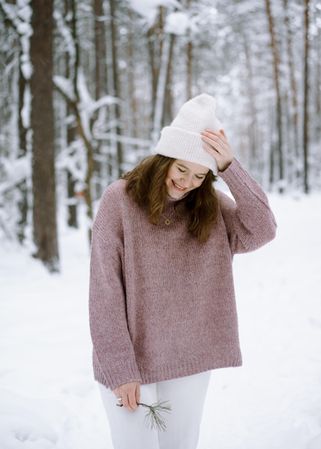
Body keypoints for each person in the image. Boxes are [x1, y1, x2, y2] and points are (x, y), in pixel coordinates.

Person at [88, 93, 277, 449]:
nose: (187, 181)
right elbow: (104, 290)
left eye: (200, 174)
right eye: (181, 169)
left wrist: (230, 167)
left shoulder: (209, 207)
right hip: (131, 362)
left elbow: (262, 228)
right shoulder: (120, 200)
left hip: (189, 356)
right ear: (164, 159)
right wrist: (120, 369)